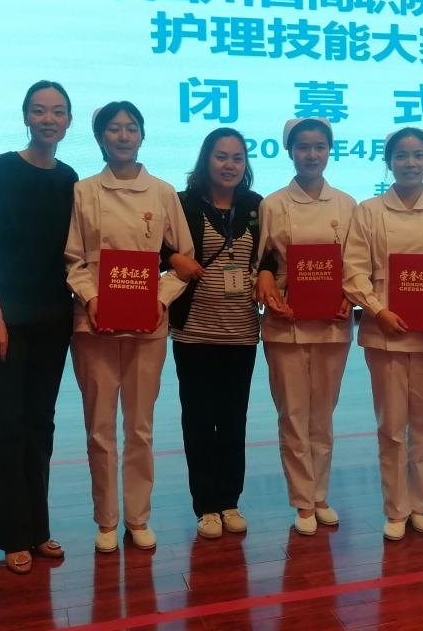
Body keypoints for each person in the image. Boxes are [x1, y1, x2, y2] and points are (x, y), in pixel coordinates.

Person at [64, 101, 193, 554]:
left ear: (142, 135)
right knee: (99, 428)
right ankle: (106, 519)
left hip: (147, 324)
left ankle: (138, 518)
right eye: (114, 129)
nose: (123, 136)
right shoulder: (83, 192)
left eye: (131, 128)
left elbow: (183, 260)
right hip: (94, 323)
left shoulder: (162, 192)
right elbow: (73, 260)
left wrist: (159, 298)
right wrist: (92, 297)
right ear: (100, 137)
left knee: (140, 426)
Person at [0, 80, 78, 575]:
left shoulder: (69, 178)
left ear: (68, 121)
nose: (48, 119)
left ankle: (38, 529)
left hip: (54, 319)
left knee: (40, 423)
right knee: (7, 424)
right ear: (26, 117)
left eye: (57, 111)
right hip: (4, 320)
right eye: (39, 110)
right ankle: (12, 535)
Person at [342, 127, 423, 541]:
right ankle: (396, 508)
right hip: (386, 331)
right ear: (389, 162)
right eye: (401, 155)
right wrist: (377, 310)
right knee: (391, 425)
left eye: (418, 155)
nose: (410, 163)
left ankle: (420, 504)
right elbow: (353, 272)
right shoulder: (368, 211)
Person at [255, 117, 357, 535]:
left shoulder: (347, 205)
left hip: (332, 323)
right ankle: (302, 501)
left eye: (319, 147)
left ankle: (320, 494)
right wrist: (268, 288)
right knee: (293, 414)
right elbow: (262, 261)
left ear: (329, 151)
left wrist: (350, 296)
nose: (311, 155)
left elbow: (356, 264)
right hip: (287, 323)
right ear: (290, 151)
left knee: (323, 414)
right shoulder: (273, 204)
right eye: (303, 147)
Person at [165, 128, 263, 539]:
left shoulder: (256, 206)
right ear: (206, 159)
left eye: (237, 158)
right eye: (221, 156)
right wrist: (173, 257)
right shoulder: (183, 203)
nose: (229, 165)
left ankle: (229, 501)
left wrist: (268, 275)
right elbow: (157, 247)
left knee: (234, 420)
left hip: (241, 332)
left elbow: (270, 256)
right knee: (199, 421)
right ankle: (205, 505)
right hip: (194, 333)